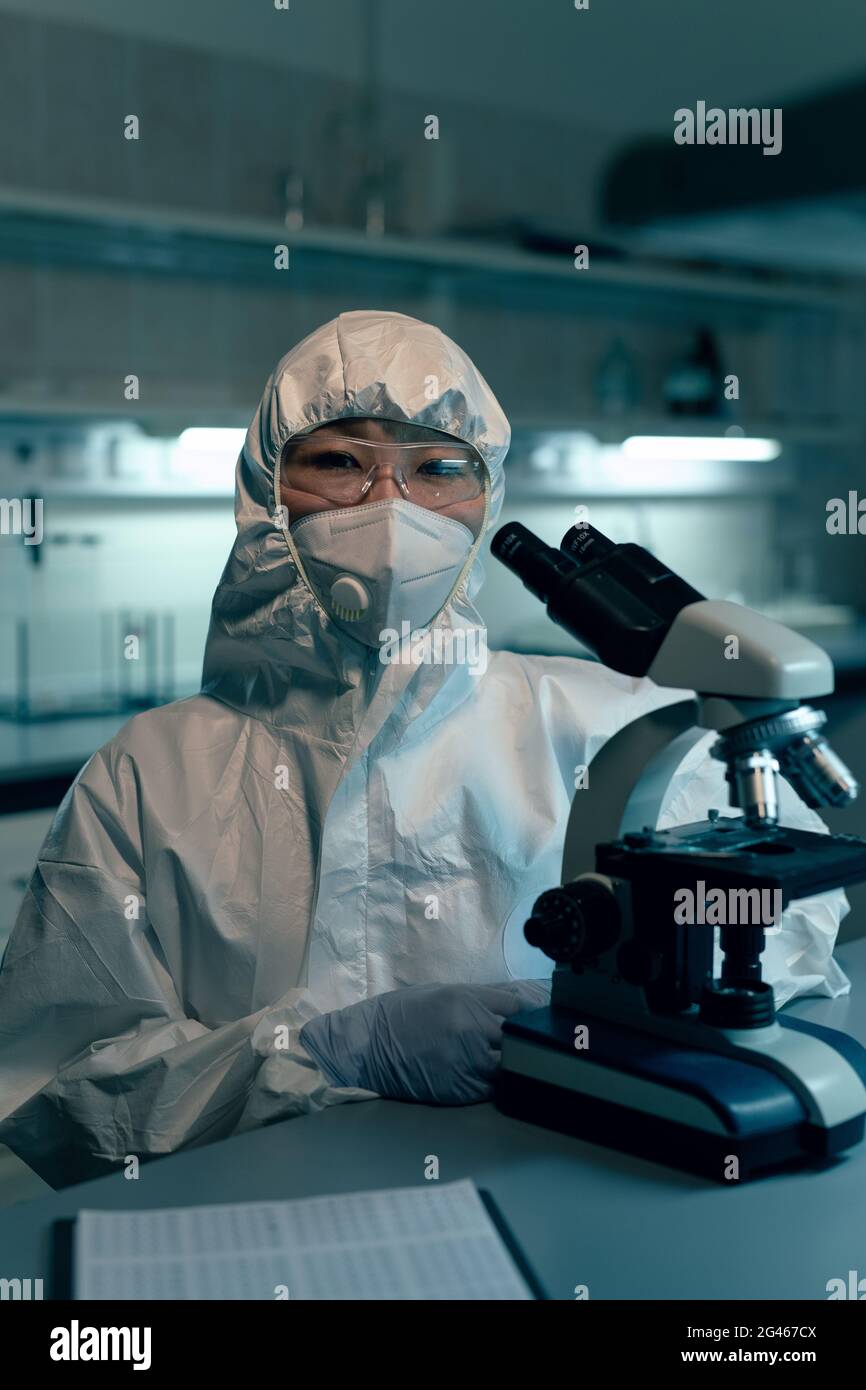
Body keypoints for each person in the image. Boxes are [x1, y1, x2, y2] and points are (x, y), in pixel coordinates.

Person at [0, 310, 849, 1187]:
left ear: (487, 503)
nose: (392, 508)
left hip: (548, 1189)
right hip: (245, 1219)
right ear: (266, 487)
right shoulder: (145, 774)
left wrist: (637, 1008)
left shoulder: (602, 725)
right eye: (338, 462)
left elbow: (792, 932)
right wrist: (326, 1055)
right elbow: (58, 1087)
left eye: (440, 469)